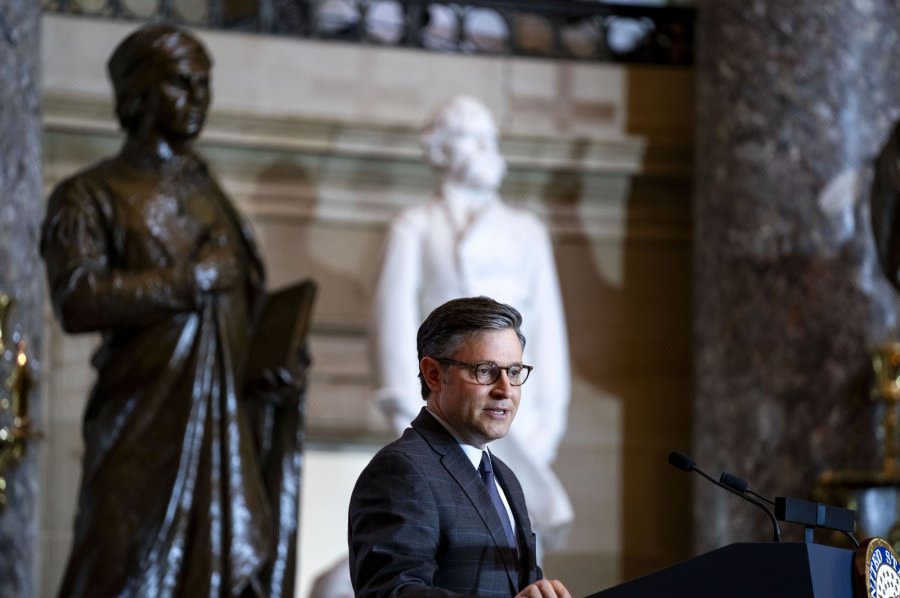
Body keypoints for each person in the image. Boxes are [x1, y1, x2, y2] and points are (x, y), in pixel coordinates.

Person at [40, 23, 301, 597]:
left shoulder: (209, 192)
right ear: (139, 93)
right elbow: (78, 299)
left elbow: (249, 306)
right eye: (182, 84)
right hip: (143, 419)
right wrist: (188, 280)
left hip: (227, 422)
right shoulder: (90, 194)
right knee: (120, 566)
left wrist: (277, 367)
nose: (198, 99)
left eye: (205, 85)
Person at [370, 95, 573, 547]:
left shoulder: (527, 232)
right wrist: (405, 409)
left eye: (488, 136)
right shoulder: (415, 226)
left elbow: (549, 335)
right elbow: (391, 324)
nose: (482, 145)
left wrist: (547, 424)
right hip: (450, 401)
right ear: (440, 149)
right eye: (466, 135)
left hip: (519, 423)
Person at [349, 296, 572, 598]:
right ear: (434, 374)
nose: (505, 389)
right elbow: (392, 592)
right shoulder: (401, 470)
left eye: (515, 372)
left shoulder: (505, 478)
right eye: (485, 370)